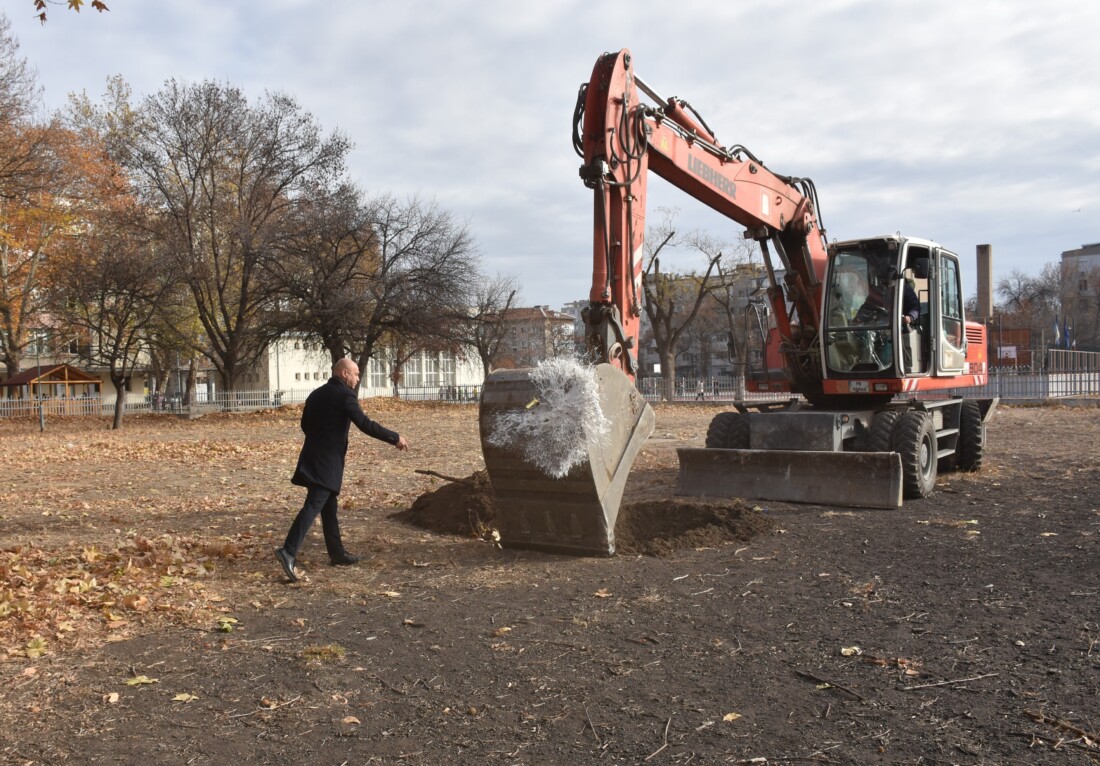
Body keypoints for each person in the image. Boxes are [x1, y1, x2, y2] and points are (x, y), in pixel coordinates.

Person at [275, 358, 408, 582]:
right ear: (344, 373)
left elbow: (305, 425)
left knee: (329, 507)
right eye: (356, 375)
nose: (357, 379)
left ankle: (336, 553)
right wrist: (394, 437)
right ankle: (288, 550)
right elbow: (365, 424)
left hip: (313, 456)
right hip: (327, 461)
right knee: (314, 504)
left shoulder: (316, 394)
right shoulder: (345, 396)